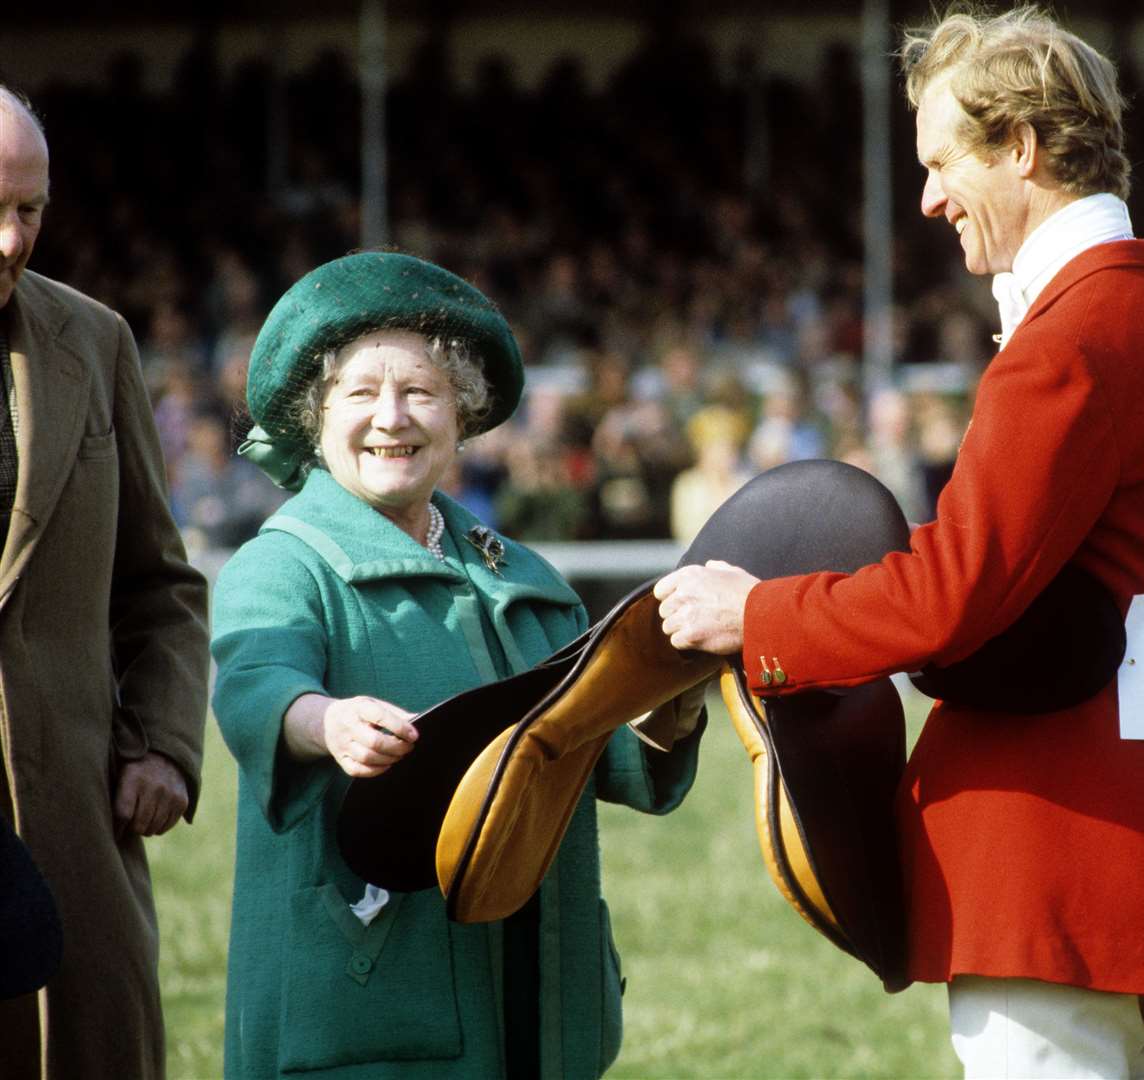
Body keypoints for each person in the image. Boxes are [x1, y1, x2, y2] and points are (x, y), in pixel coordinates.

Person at [654, 10, 1144, 1078]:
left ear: (1019, 146)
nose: (927, 196)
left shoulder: (1071, 338)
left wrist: (754, 615)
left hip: (1057, 856)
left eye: (941, 160)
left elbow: (951, 595)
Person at [210, 251, 702, 1080]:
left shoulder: (528, 579)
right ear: (315, 418)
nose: (391, 419)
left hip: (541, 997)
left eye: (422, 393)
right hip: (371, 1002)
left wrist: (673, 706)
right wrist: (322, 721)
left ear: (462, 415)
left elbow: (595, 744)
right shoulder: (284, 565)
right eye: (361, 394)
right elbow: (256, 680)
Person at [0, 86, 210, 1078]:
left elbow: (160, 586)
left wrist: (165, 745)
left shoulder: (95, 340)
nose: (10, 240)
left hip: (71, 828)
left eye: (30, 210)